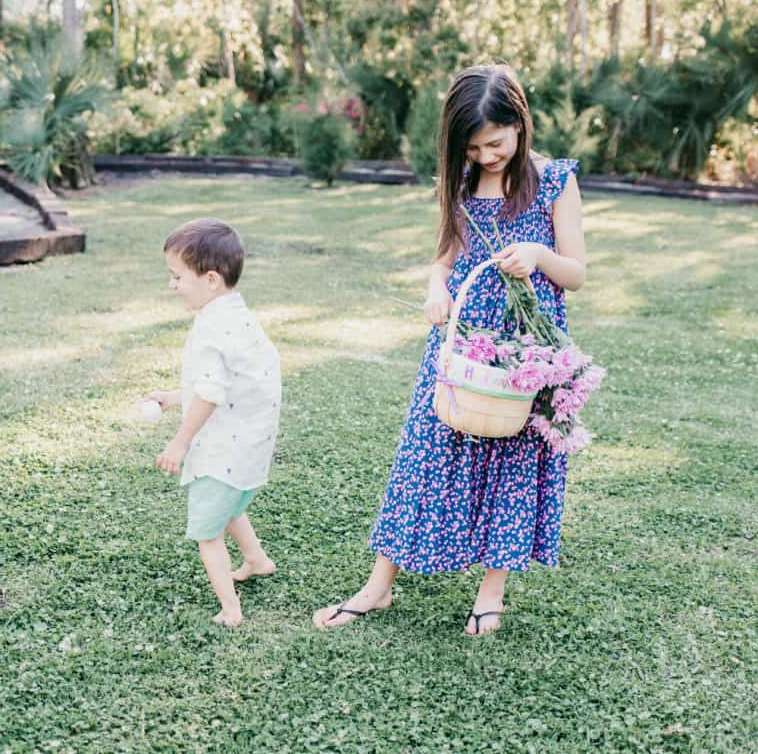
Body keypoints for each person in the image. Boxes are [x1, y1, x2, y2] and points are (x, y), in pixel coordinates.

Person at [313, 65, 587, 636]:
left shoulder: (553, 180)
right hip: (459, 343)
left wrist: (537, 255)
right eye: (473, 146)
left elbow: (577, 272)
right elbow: (443, 257)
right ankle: (378, 586)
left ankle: (492, 592)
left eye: (496, 142)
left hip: (520, 351)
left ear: (520, 124)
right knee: (425, 452)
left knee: (510, 461)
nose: (486, 155)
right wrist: (435, 286)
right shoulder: (463, 181)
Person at [147, 218, 281, 627]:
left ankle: (231, 609)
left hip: (225, 445)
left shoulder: (211, 327)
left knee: (209, 533)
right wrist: (175, 398)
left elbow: (210, 392)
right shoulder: (235, 314)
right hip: (250, 443)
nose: (172, 285)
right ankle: (257, 560)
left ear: (209, 280)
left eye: (177, 277)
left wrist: (180, 442)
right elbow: (224, 380)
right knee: (230, 504)